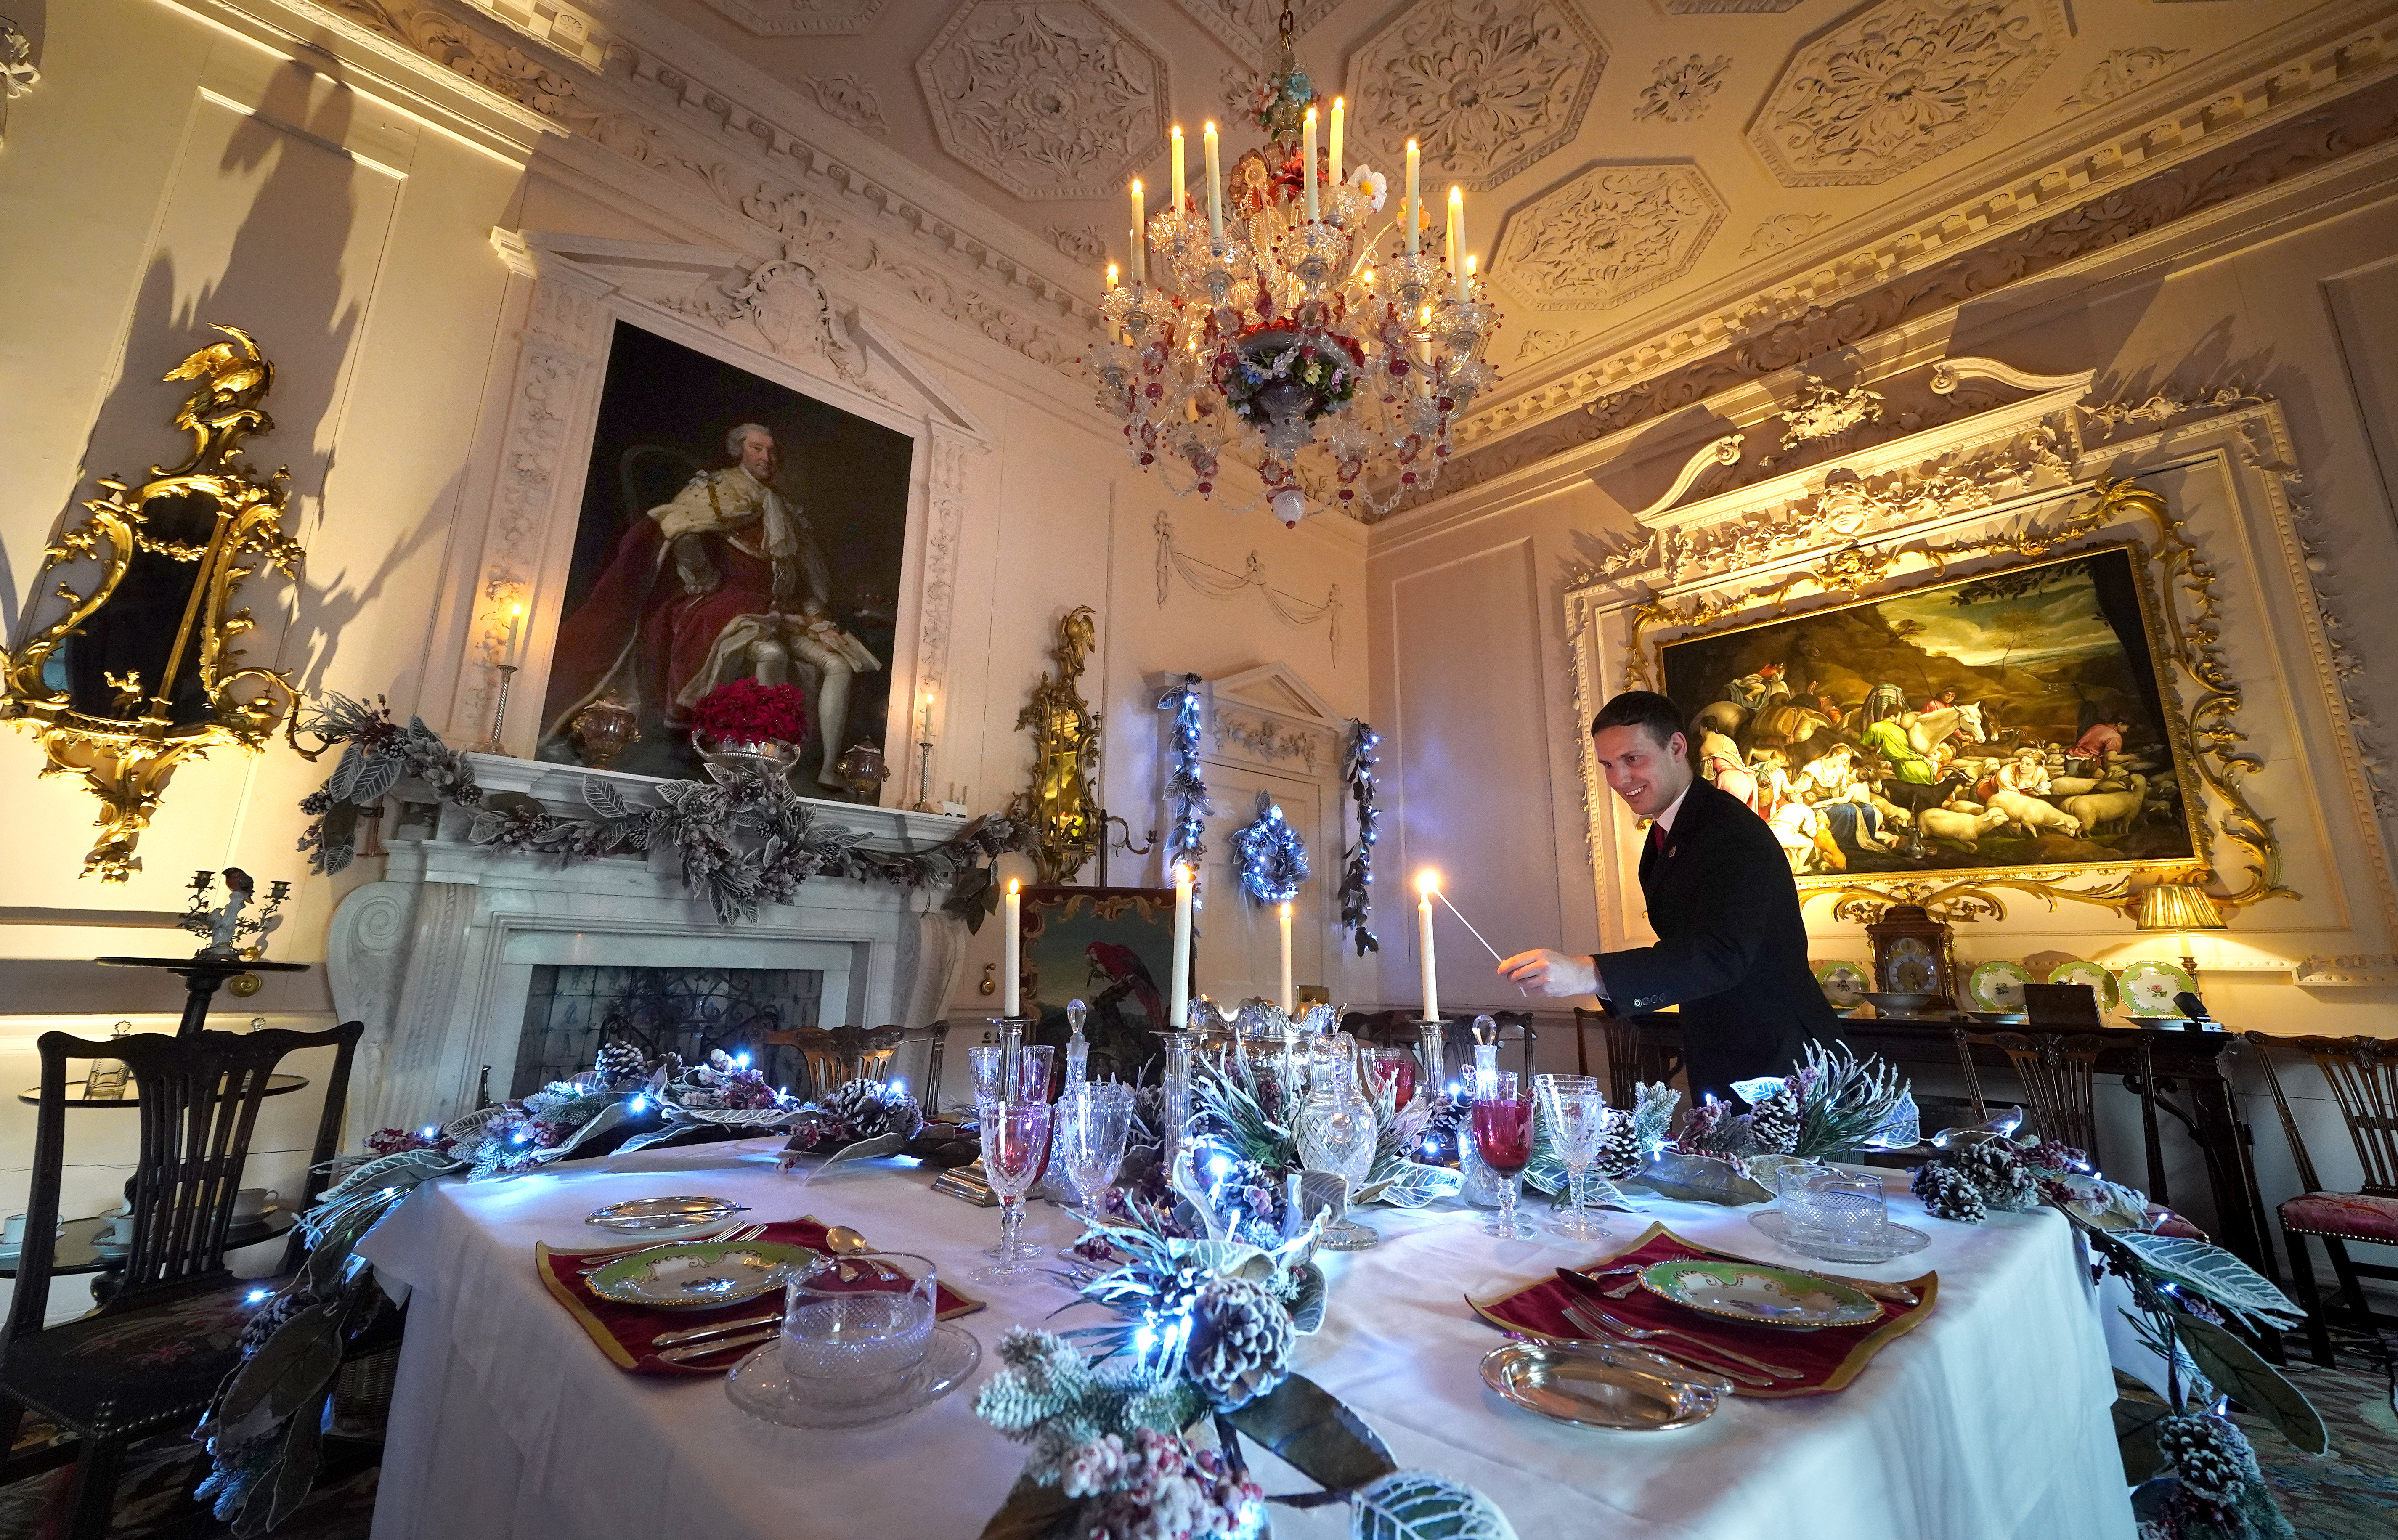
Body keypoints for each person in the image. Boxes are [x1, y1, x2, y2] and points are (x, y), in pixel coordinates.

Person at [1497, 691, 1836, 1101]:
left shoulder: (1729, 830)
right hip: (1726, 1054)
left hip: (1785, 1067)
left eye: (1632, 759)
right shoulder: (1668, 836)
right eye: (1608, 765)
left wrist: (1589, 973)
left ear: (1677, 746)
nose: (1618, 780)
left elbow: (1721, 955)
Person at [543, 423, 881, 787]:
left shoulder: (783, 506)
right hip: (726, 605)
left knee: (839, 665)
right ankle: (764, 762)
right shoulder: (717, 488)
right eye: (757, 449)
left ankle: (828, 768)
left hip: (780, 612)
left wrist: (817, 618)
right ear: (739, 450)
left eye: (771, 451)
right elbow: (680, 527)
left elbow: (804, 576)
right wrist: (701, 577)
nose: (767, 458)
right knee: (771, 654)